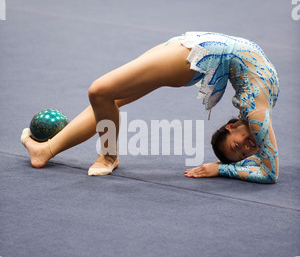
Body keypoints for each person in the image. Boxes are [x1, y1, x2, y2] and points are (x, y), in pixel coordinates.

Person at [21, 31, 279, 184]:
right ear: (232, 125)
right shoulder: (256, 115)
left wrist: (220, 167)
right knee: (104, 96)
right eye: (240, 147)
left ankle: (52, 151)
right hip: (194, 51)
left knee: (101, 93)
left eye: (241, 153)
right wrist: (222, 167)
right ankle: (54, 151)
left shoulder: (253, 112)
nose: (248, 148)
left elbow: (264, 165)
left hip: (193, 52)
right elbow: (269, 172)